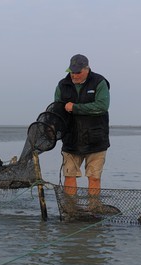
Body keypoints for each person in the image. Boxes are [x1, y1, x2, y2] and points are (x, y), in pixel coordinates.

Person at [54, 54, 110, 210]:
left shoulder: (99, 82)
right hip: (71, 139)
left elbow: (102, 106)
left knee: (94, 177)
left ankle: (93, 209)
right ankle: (71, 210)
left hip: (96, 139)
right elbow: (57, 110)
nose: (74, 75)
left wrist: (75, 108)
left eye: (78, 72)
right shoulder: (62, 85)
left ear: (87, 69)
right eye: (72, 71)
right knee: (69, 175)